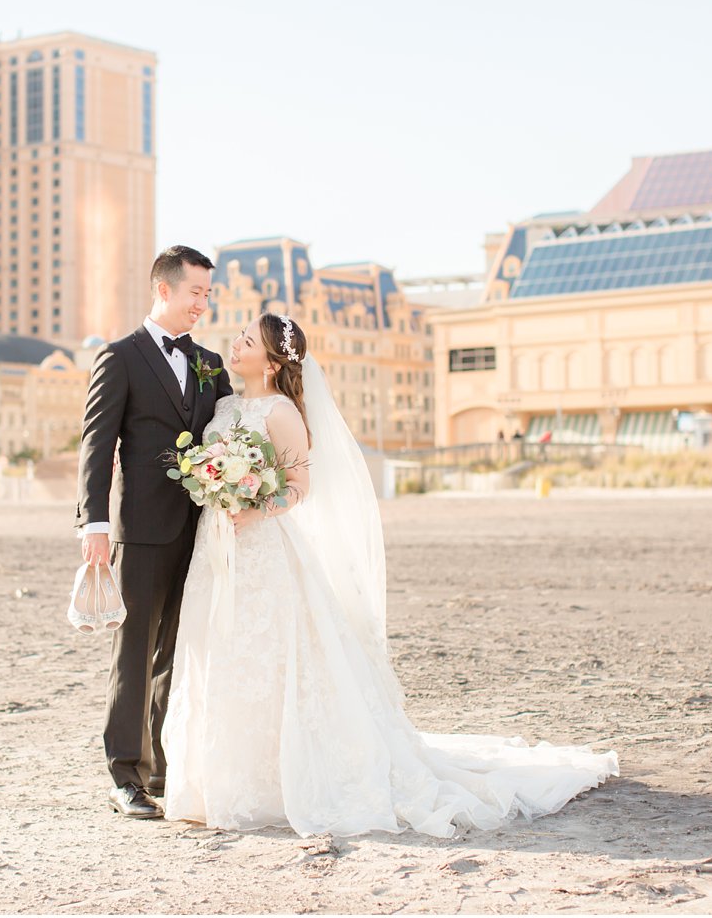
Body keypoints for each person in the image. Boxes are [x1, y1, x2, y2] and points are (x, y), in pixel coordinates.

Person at [161, 313, 617, 837]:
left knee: (270, 655)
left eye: (247, 341)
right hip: (216, 551)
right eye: (239, 336)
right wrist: (214, 486)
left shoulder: (282, 412)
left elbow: (299, 486)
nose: (235, 344)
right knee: (220, 651)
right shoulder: (223, 405)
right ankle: (218, 777)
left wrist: (255, 509)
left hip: (263, 549)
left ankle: (277, 781)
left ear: (271, 361)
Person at [75, 246, 235, 820]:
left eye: (208, 295)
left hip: (203, 528)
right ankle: (126, 775)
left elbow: (229, 433)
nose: (202, 304)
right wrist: (92, 522)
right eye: (195, 292)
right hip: (141, 530)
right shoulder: (119, 357)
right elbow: (96, 446)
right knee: (135, 652)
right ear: (163, 290)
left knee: (179, 648)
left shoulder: (211, 363)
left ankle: (167, 767)